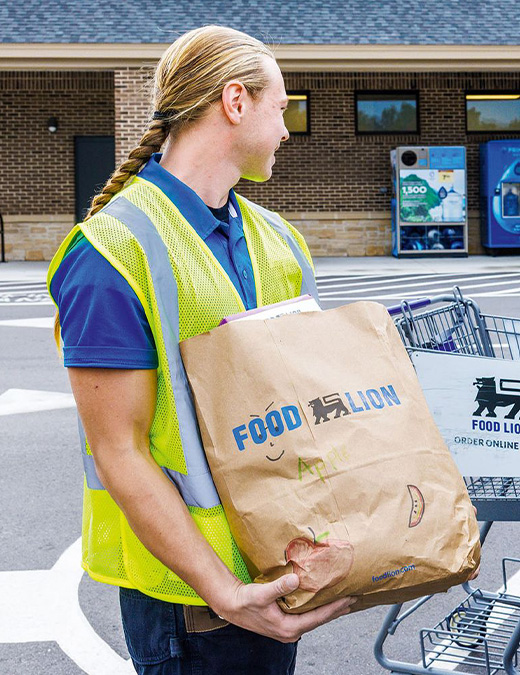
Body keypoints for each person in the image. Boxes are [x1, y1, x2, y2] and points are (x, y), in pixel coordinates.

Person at [47, 26, 351, 674]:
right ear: (235, 102)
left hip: (273, 578)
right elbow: (118, 451)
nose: (288, 130)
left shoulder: (280, 240)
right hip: (190, 604)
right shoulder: (111, 252)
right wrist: (226, 593)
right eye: (281, 108)